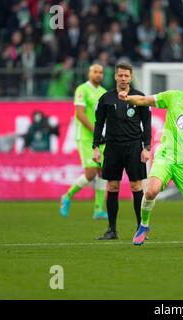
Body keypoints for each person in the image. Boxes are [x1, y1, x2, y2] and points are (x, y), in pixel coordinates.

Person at [118, 69, 183, 249]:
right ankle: (143, 225)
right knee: (150, 191)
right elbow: (144, 100)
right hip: (165, 157)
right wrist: (128, 98)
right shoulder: (173, 97)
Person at [93, 62, 152, 240]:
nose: (124, 78)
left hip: (134, 146)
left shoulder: (140, 97)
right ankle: (112, 230)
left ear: (131, 77)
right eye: (120, 75)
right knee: (112, 186)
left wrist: (147, 147)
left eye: (127, 76)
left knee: (136, 186)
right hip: (112, 147)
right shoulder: (106, 98)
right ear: (115, 76)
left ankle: (140, 229)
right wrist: (96, 147)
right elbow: (99, 124)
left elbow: (147, 123)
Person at [60, 64, 108, 220]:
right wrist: (96, 132)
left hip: (101, 138)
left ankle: (98, 209)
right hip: (86, 137)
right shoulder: (82, 89)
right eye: (95, 71)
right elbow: (80, 114)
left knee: (102, 172)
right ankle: (67, 196)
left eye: (100, 72)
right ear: (89, 73)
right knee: (90, 172)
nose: (98, 74)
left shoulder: (104, 93)